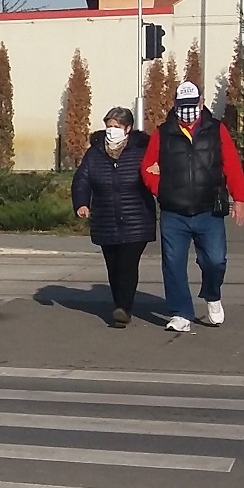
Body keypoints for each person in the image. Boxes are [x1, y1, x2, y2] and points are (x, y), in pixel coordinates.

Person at [141, 80, 244, 333]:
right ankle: (181, 313)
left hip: (208, 209)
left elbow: (231, 165)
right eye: (182, 106)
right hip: (174, 212)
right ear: (175, 105)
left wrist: (240, 199)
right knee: (173, 262)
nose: (187, 111)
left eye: (192, 105)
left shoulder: (216, 130)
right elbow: (147, 168)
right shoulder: (163, 132)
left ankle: (212, 295)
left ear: (201, 103)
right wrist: (162, 188)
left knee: (215, 261)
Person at [71, 107, 157, 328]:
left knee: (128, 264)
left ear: (128, 129)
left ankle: (123, 308)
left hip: (136, 218)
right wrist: (81, 203)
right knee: (113, 266)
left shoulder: (141, 149)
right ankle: (120, 302)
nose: (112, 131)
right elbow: (82, 179)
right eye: (109, 126)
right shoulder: (95, 152)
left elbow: (155, 175)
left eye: (117, 127)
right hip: (105, 217)